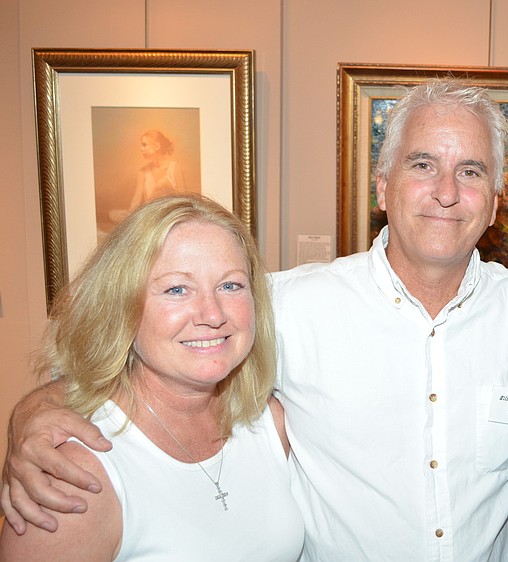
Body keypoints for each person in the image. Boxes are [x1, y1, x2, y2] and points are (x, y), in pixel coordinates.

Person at [2, 80, 508, 561]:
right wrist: (35, 413)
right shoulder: (283, 306)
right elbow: (165, 352)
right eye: (422, 166)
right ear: (383, 186)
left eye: (471, 172)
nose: (445, 192)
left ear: (497, 201)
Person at [0, 195, 304, 560]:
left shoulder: (268, 421)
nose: (212, 314)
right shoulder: (74, 474)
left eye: (230, 285)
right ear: (122, 307)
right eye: (177, 289)